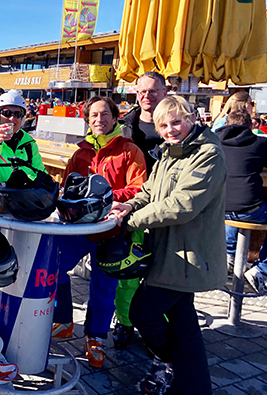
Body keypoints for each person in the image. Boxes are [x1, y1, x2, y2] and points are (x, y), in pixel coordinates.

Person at [110, 95, 226, 394]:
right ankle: (193, 386)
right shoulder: (171, 153)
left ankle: (169, 364)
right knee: (183, 322)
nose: (171, 129)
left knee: (142, 312)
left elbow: (183, 204)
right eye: (163, 125)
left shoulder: (206, 153)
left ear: (191, 119)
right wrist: (127, 207)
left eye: (176, 122)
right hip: (169, 251)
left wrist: (132, 221)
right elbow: (150, 191)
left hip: (186, 256)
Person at [53, 96, 146, 368]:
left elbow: (139, 188)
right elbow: (67, 186)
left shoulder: (129, 151)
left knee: (103, 288)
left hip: (111, 230)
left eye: (104, 114)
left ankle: (95, 337)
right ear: (87, 120)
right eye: (93, 115)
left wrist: (102, 197)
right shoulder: (81, 152)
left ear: (115, 118)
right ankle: (64, 320)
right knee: (53, 265)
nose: (99, 120)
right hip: (79, 229)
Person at [114, 71, 167, 350]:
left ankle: (157, 329)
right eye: (143, 91)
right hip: (132, 208)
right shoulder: (125, 125)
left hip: (165, 211)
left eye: (154, 91)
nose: (148, 96)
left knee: (162, 275)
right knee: (129, 272)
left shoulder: (173, 127)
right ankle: (124, 322)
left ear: (165, 93)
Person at [217, 110, 267, 293]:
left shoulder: (214, 140)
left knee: (233, 205)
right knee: (249, 206)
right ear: (251, 126)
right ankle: (262, 270)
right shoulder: (259, 143)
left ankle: (228, 257)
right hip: (250, 209)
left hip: (219, 208)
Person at [0, 89, 45, 183]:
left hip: (24, 195)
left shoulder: (28, 143)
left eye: (17, 114)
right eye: (6, 113)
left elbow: (41, 173)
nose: (12, 118)